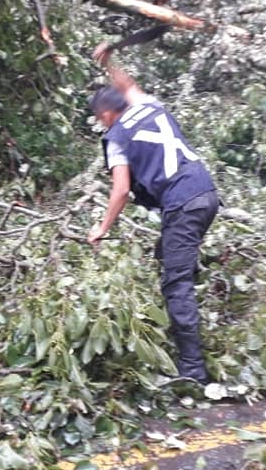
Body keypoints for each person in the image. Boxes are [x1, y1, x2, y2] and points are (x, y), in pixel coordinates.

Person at [87, 85, 219, 383]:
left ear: (106, 114)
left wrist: (102, 228)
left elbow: (121, 189)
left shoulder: (116, 137)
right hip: (205, 194)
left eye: (100, 118)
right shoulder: (150, 107)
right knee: (167, 254)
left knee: (176, 283)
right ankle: (185, 322)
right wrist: (108, 61)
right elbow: (130, 86)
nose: (101, 123)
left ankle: (193, 371)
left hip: (183, 203)